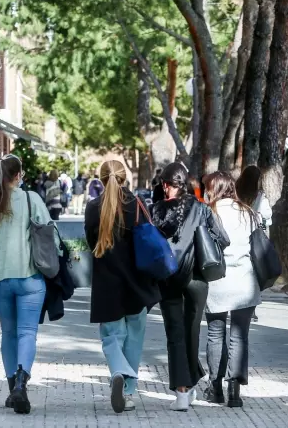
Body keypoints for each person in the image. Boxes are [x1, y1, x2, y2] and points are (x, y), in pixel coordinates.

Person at [0, 154, 53, 415]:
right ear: (18, 176)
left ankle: (11, 388)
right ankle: (21, 383)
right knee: (27, 332)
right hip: (30, 278)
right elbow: (49, 232)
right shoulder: (32, 200)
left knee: (8, 333)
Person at [85, 160, 161, 414]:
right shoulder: (137, 205)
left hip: (107, 282)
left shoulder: (93, 208)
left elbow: (89, 243)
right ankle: (128, 391)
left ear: (102, 179)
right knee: (134, 338)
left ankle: (117, 370)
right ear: (124, 178)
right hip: (137, 283)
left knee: (111, 336)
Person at [151, 163, 219, 411]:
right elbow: (222, 237)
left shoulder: (156, 210)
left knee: (174, 334)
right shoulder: (202, 208)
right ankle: (190, 384)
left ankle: (183, 390)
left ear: (165, 185)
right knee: (192, 331)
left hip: (167, 277)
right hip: (197, 277)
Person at [202, 171, 261, 409]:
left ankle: (215, 387)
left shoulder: (209, 213)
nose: (205, 193)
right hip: (245, 282)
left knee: (215, 334)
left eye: (207, 188)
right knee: (240, 336)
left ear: (213, 189)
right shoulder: (248, 212)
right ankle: (234, 389)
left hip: (217, 281)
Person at [235, 165, 271, 322]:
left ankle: (236, 303)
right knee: (254, 275)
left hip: (238, 236)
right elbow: (267, 216)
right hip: (256, 239)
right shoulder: (260, 197)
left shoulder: (236, 193)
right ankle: (251, 308)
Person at [236, 165, 273, 230]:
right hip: (253, 233)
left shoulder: (235, 193)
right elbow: (266, 217)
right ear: (257, 181)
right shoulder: (260, 198)